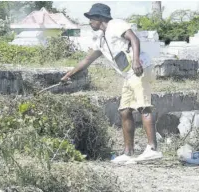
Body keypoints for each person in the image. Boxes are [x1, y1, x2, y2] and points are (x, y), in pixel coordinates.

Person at [61, 3, 163, 164]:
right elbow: (87, 60)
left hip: (139, 68)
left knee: (143, 106)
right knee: (124, 111)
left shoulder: (116, 25)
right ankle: (128, 153)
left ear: (100, 18)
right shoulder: (101, 39)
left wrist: (136, 60)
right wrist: (69, 75)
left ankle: (152, 149)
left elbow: (134, 39)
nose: (89, 22)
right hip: (129, 75)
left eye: (91, 18)